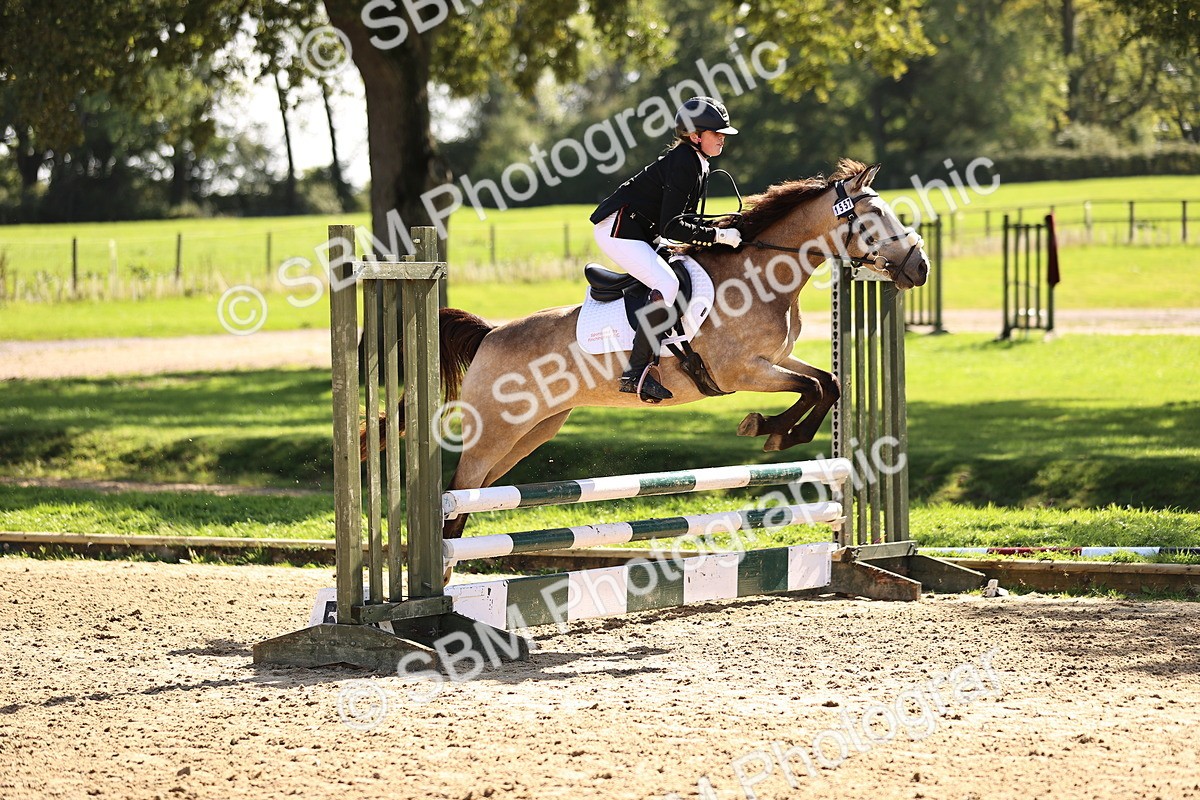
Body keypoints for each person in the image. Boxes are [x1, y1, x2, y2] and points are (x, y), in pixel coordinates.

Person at [589, 96, 743, 403]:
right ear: (695, 135)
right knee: (667, 282)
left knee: (681, 271)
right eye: (717, 133)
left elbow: (680, 222)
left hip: (640, 230)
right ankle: (635, 374)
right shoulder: (686, 162)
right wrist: (719, 237)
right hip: (619, 231)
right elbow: (672, 227)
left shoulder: (697, 161)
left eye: (724, 132)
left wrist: (719, 229)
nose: (723, 137)